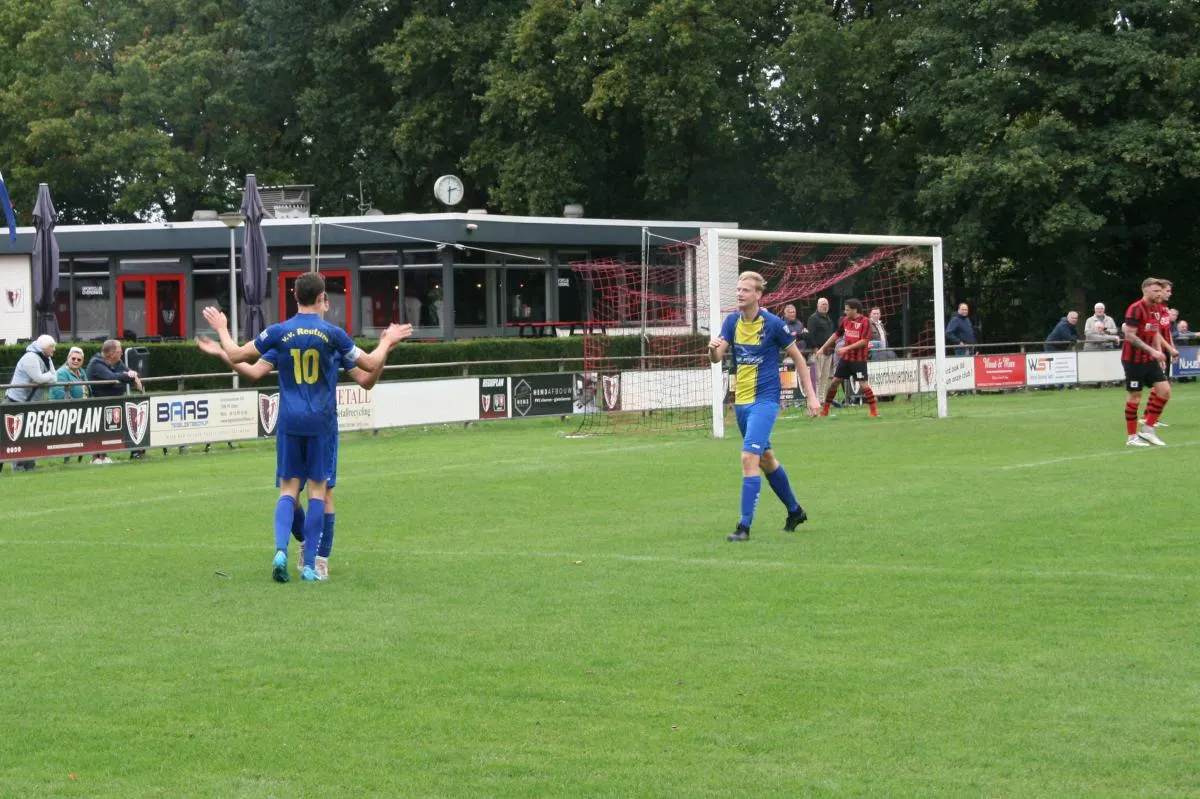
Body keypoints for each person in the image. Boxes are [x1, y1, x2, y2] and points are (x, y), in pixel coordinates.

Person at [203, 271, 398, 582]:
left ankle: (290, 552)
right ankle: (310, 565)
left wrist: (222, 331)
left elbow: (242, 359)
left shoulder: (280, 333)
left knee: (289, 490)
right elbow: (370, 369)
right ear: (322, 299)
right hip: (321, 423)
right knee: (319, 492)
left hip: (290, 421)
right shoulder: (334, 336)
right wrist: (386, 343)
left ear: (294, 296)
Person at [708, 271, 820, 542]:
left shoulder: (773, 324)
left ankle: (743, 527)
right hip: (742, 403)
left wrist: (812, 396)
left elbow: (799, 360)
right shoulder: (732, 321)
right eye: (738, 289)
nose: (739, 293)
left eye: (745, 290)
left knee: (749, 458)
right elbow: (716, 357)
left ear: (758, 294)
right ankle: (795, 511)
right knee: (766, 459)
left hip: (765, 401)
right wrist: (712, 348)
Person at [1121, 278, 1170, 447]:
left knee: (1165, 391)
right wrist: (1152, 351)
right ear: (1146, 290)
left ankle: (1148, 429)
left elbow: (1155, 332)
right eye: (1156, 291)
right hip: (1133, 360)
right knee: (1135, 396)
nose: (1159, 294)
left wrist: (1158, 352)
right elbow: (1130, 335)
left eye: (1160, 291)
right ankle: (1132, 437)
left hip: (1149, 359)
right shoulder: (1135, 308)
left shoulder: (1156, 308)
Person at [2, 334, 57, 472]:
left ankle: (28, 465)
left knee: (28, 434)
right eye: (52, 346)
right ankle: (17, 466)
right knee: (10, 436)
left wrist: (48, 377)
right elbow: (39, 378)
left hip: (30, 402)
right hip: (15, 401)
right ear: (44, 347)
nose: (54, 349)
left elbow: (54, 378)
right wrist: (48, 376)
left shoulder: (47, 358)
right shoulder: (30, 358)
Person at [817, 299, 879, 418]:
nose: (845, 312)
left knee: (863, 384)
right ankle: (825, 410)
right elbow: (836, 335)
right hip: (846, 359)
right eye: (845, 309)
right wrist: (823, 348)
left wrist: (846, 348)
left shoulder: (865, 321)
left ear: (855, 310)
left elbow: (864, 341)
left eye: (847, 310)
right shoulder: (845, 320)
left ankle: (874, 411)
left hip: (859, 360)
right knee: (834, 382)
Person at [87, 339, 145, 461]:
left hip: (116, 403)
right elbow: (111, 377)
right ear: (111, 354)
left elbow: (131, 373)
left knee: (135, 418)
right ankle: (98, 457)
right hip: (99, 405)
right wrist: (127, 376)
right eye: (120, 351)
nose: (122, 353)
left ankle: (136, 452)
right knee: (104, 429)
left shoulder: (117, 362)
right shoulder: (96, 364)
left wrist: (133, 376)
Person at [50, 346, 96, 464]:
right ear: (68, 358)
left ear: (82, 361)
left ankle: (90, 458)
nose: (76, 361)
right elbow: (60, 394)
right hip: (66, 410)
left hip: (84, 408)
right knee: (71, 436)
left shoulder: (82, 372)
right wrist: (76, 408)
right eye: (73, 358)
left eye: (79, 359)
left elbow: (89, 389)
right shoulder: (61, 373)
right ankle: (67, 460)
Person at [805, 298, 834, 400]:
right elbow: (810, 334)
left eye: (826, 304)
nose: (825, 306)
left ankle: (821, 399)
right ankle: (816, 399)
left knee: (825, 377)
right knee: (817, 377)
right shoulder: (813, 318)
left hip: (829, 351)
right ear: (817, 305)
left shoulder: (828, 318)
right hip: (818, 351)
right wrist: (814, 348)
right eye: (823, 304)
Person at [780, 304, 805, 406]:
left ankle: (798, 400)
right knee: (786, 378)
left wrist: (798, 335)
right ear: (785, 313)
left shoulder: (799, 323)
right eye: (790, 312)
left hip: (800, 354)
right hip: (785, 356)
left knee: (800, 378)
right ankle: (784, 402)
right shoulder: (781, 324)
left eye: (793, 312)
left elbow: (803, 335)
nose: (792, 314)